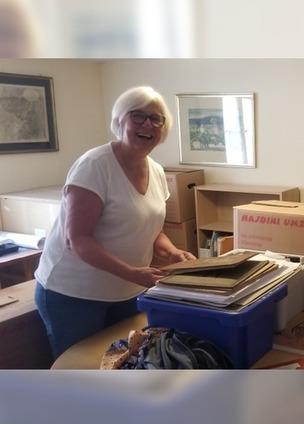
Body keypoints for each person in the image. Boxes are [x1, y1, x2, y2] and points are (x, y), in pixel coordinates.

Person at [34, 86, 196, 358]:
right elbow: (78, 240)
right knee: (82, 375)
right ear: (120, 120)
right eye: (138, 116)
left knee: (124, 362)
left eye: (156, 118)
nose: (148, 124)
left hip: (126, 291)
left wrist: (171, 252)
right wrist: (134, 273)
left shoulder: (156, 171)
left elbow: (150, 229)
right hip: (74, 295)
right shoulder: (94, 166)